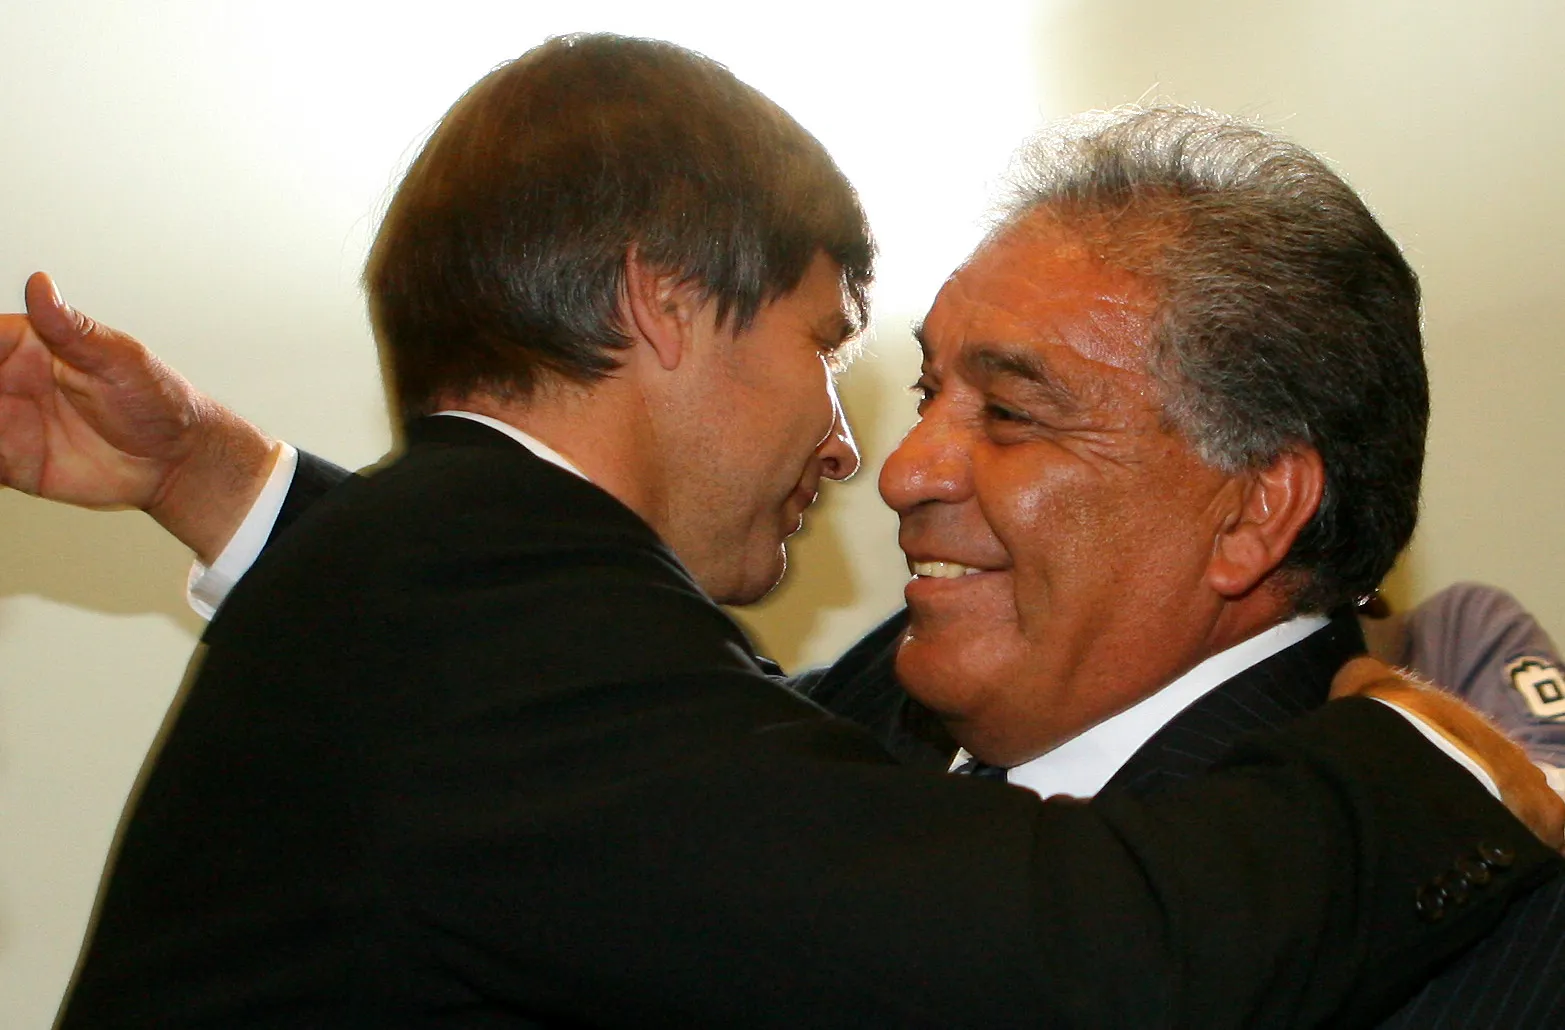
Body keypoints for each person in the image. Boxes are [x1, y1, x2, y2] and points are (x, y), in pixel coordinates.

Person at [2, 39, 1558, 1028]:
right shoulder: (806, 700)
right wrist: (1475, 755)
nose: (889, 462)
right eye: (877, 365)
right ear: (661, 302)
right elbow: (1081, 962)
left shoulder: (1497, 948)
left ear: (1254, 508)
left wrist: (230, 485)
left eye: (1007, 411)